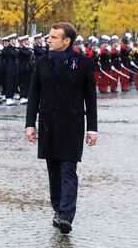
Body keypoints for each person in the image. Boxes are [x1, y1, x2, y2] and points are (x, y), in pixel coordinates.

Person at [25, 22, 98, 234]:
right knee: (53, 171)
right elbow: (34, 95)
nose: (48, 40)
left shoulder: (84, 63)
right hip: (48, 123)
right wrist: (30, 124)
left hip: (72, 124)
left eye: (53, 37)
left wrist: (92, 129)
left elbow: (90, 99)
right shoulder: (42, 62)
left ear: (67, 41)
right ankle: (58, 209)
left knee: (68, 169)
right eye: (49, 36)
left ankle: (66, 215)